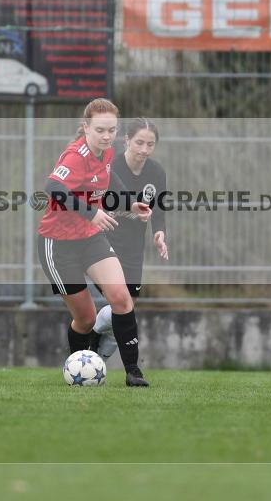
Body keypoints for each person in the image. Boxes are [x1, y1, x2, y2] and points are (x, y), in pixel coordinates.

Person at [36, 98, 152, 387]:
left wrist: (131, 203)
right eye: (100, 130)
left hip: (90, 239)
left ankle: (133, 372)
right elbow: (53, 187)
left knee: (121, 297)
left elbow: (109, 180)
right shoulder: (76, 155)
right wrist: (92, 212)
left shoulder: (107, 153)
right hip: (58, 245)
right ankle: (78, 371)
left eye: (111, 130)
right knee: (86, 320)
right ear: (86, 127)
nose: (106, 136)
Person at [89, 118, 168, 360]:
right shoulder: (110, 166)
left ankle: (95, 347)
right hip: (104, 245)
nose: (144, 149)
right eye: (139, 142)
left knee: (126, 310)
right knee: (121, 306)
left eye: (150, 144)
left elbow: (159, 209)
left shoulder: (156, 172)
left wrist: (159, 232)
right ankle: (99, 357)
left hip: (134, 248)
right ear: (127, 141)